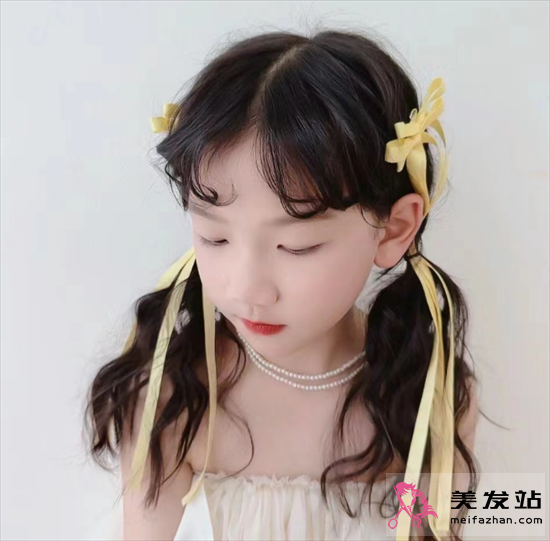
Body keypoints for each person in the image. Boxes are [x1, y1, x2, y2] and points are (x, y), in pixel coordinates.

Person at [83, 28, 481, 541]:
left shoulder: (429, 395)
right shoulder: (174, 397)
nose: (248, 289)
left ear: (394, 229)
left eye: (296, 247)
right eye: (214, 237)